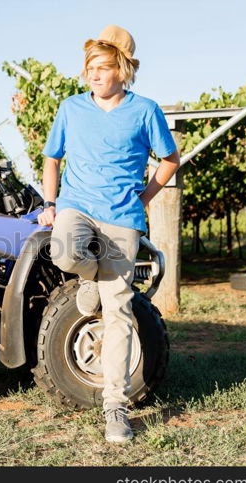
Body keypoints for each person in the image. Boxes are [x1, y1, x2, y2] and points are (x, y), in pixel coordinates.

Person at [37, 25, 180, 443]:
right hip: (75, 206)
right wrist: (50, 204)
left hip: (122, 216)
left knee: (118, 312)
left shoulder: (144, 110)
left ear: (123, 70)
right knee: (63, 253)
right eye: (89, 69)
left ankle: (115, 406)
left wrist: (147, 195)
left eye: (102, 67)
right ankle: (86, 276)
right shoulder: (71, 108)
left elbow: (170, 159)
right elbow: (51, 158)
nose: (94, 76)